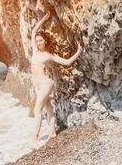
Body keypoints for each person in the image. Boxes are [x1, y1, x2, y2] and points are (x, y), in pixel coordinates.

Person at [31, 11, 83, 146]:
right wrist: (43, 19)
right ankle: (52, 132)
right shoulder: (34, 50)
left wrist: (79, 51)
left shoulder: (49, 55)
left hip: (45, 82)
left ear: (45, 41)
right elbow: (34, 31)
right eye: (37, 41)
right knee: (48, 109)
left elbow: (67, 62)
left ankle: (34, 138)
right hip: (37, 84)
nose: (38, 42)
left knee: (37, 110)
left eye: (40, 40)